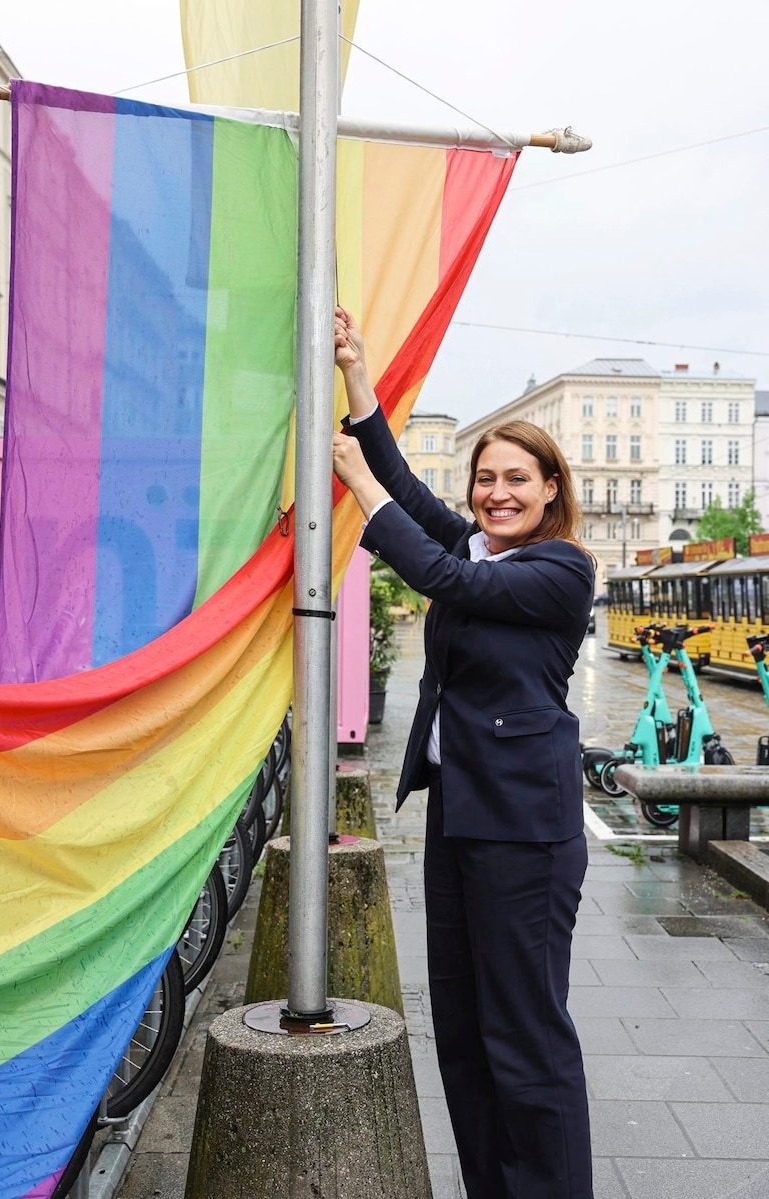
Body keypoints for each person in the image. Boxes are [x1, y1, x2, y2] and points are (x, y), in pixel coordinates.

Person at [332, 305, 595, 1199]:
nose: (496, 493)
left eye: (517, 479)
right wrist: (358, 381)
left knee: (525, 1039)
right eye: (485, 479)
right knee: (466, 1032)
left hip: (526, 830)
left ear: (552, 488)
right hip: (460, 817)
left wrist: (357, 489)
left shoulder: (559, 569)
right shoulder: (483, 544)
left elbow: (441, 575)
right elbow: (413, 494)